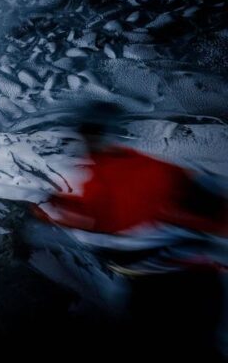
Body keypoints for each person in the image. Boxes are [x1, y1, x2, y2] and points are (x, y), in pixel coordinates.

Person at [36, 102, 227, 360]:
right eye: (86, 134)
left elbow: (209, 204)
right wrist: (56, 209)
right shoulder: (101, 175)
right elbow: (100, 218)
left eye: (90, 133)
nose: (87, 141)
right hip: (153, 282)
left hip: (180, 283)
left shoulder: (146, 171)